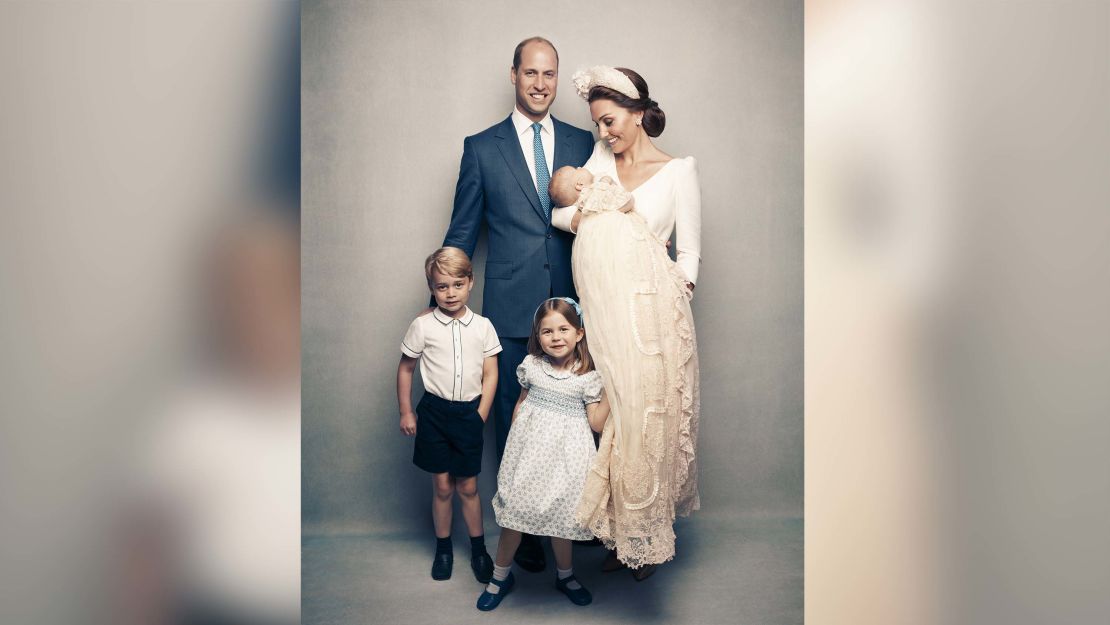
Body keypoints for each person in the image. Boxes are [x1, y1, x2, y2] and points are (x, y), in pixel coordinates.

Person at [441, 36, 594, 573]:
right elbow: (461, 233)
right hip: (508, 312)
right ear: (513, 75)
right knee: (513, 422)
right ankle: (523, 531)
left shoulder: (583, 141)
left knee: (578, 421)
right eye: (530, 72)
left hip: (575, 311)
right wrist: (438, 308)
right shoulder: (482, 148)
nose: (540, 83)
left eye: (550, 74)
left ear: (557, 78)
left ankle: (577, 524)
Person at [550, 66, 702, 581]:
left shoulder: (680, 170)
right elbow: (560, 213)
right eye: (597, 124)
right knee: (609, 412)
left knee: (646, 417)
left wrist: (670, 285)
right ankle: (617, 528)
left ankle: (642, 535)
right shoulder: (599, 162)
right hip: (601, 313)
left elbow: (691, 252)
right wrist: (605, 213)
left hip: (651, 316)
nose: (603, 133)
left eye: (610, 121)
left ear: (638, 114)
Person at [476, 298, 610, 611]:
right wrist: (514, 448)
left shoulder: (587, 377)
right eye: (546, 331)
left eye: (563, 329)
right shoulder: (532, 367)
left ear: (579, 334)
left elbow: (596, 423)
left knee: (561, 520)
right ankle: (499, 577)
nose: (555, 337)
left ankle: (565, 576)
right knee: (516, 518)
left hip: (567, 461)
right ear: (538, 337)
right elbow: (521, 405)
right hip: (529, 457)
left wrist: (616, 393)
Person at [397, 247, 501, 583]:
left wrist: (480, 415)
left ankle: (479, 550)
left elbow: (491, 374)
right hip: (434, 414)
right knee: (442, 486)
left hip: (469, 414)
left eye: (457, 284)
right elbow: (406, 368)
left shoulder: (483, 327)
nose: (450, 293)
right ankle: (443, 548)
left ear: (470, 282)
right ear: (431, 287)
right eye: (442, 286)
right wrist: (406, 411)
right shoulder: (423, 325)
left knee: (467, 486)